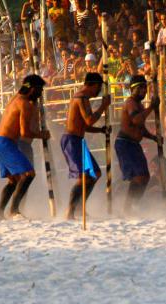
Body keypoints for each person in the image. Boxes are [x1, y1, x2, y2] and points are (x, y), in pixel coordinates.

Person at [0, 75, 50, 220]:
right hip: (5, 143)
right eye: (40, 90)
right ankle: (13, 211)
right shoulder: (25, 104)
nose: (41, 93)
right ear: (33, 89)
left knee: (13, 180)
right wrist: (42, 135)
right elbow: (25, 133)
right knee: (29, 174)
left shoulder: (15, 99)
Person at [60, 72, 111, 220]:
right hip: (71, 141)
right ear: (94, 85)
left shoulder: (83, 98)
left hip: (77, 140)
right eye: (99, 87)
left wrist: (100, 130)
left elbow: (83, 125)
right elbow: (89, 121)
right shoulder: (81, 97)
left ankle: (79, 207)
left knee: (95, 174)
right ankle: (70, 210)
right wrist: (103, 106)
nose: (99, 91)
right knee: (84, 177)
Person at [114, 75, 160, 212]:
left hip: (134, 144)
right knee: (138, 176)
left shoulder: (139, 105)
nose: (144, 91)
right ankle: (127, 207)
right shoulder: (130, 103)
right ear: (133, 89)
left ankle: (133, 204)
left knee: (145, 177)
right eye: (141, 88)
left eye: (145, 88)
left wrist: (152, 137)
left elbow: (140, 128)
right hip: (125, 144)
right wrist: (152, 106)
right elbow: (136, 121)